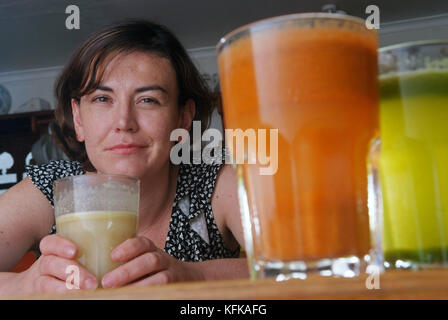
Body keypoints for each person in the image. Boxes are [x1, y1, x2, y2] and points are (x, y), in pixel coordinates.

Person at [0, 20, 248, 296]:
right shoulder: (53, 188)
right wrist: (24, 284)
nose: (124, 122)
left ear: (183, 118)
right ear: (78, 118)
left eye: (148, 100)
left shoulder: (215, 183)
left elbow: (296, 267)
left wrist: (195, 275)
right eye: (102, 99)